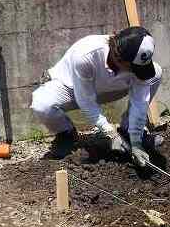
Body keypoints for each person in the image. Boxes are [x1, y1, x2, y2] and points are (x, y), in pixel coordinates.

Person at [31, 26, 162, 168]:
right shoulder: (86, 55)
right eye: (133, 68)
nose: (136, 72)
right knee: (42, 104)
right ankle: (65, 134)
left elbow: (140, 102)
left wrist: (136, 141)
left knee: (156, 74)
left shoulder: (136, 64)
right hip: (73, 89)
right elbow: (86, 101)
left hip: (109, 90)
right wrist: (110, 133)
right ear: (118, 58)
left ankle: (128, 130)